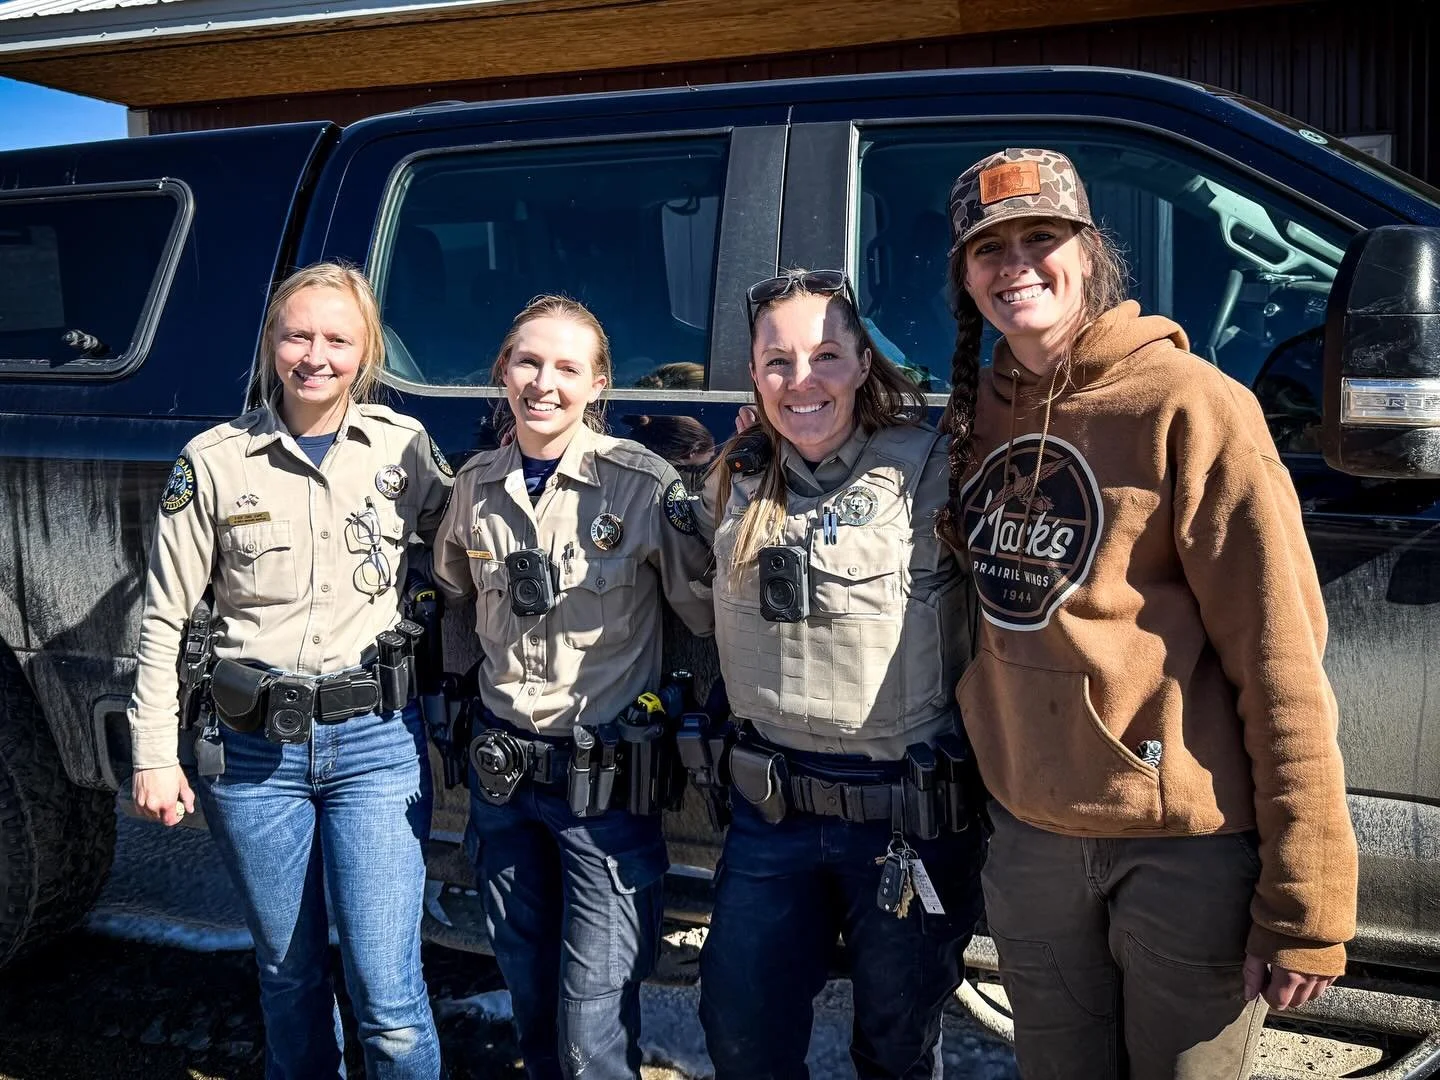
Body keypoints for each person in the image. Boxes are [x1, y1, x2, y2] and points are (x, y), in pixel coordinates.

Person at [937, 147, 1358, 1078]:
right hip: (1035, 842)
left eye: (1040, 238)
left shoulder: (1194, 407)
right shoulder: (975, 414)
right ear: (964, 278)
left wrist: (1308, 905)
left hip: (1182, 852)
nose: (1016, 267)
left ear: (1089, 252)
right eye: (988, 249)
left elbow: (1283, 662)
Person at [128, 262, 452, 1078]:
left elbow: (471, 548)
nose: (316, 355)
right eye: (297, 335)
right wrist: (153, 753)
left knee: (390, 995)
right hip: (252, 756)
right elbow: (164, 616)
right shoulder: (213, 461)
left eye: (338, 338)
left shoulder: (405, 449)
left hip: (376, 746)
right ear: (271, 343)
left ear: (367, 349)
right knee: (288, 974)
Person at [696, 269, 985, 1080]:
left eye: (827, 355)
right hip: (769, 816)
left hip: (904, 821)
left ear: (864, 362)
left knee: (895, 1050)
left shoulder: (937, 470)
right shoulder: (733, 476)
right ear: (752, 377)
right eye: (777, 361)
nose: (803, 380)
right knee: (740, 1031)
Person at [432, 295, 714, 1080]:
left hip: (606, 794)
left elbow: (701, 610)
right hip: (504, 784)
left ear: (598, 385)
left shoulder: (643, 485)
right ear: (502, 372)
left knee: (595, 1030)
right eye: (527, 361)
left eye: (566, 367)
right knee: (529, 1003)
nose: (543, 383)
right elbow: (455, 589)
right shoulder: (476, 485)